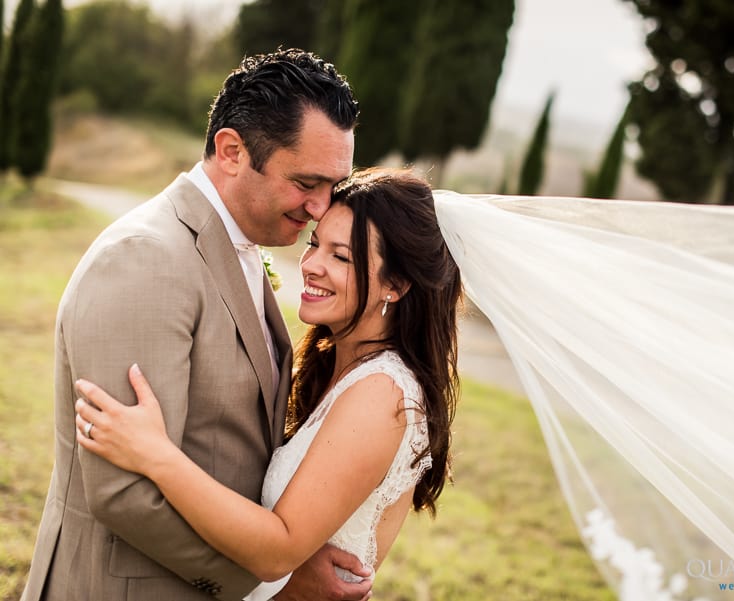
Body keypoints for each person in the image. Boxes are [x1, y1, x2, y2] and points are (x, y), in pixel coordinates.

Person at [21, 49, 369, 601]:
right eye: (307, 182)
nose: (322, 208)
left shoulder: (241, 244)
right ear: (232, 152)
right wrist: (267, 583)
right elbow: (123, 491)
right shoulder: (146, 259)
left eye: (334, 186)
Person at [72, 168, 463, 599]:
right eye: (315, 244)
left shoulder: (383, 393)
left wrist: (156, 455)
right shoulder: (340, 364)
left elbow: (277, 552)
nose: (311, 265)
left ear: (395, 285)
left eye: (341, 257)